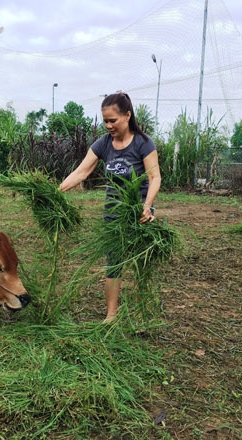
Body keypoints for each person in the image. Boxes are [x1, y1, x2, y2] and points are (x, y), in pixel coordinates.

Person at [59, 91, 161, 323]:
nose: (108, 125)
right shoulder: (104, 144)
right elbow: (82, 171)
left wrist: (147, 206)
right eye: (105, 121)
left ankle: (142, 314)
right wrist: (58, 190)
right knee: (113, 263)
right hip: (113, 214)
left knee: (141, 263)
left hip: (139, 214)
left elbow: (155, 177)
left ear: (127, 115)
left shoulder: (143, 143)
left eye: (112, 120)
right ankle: (111, 315)